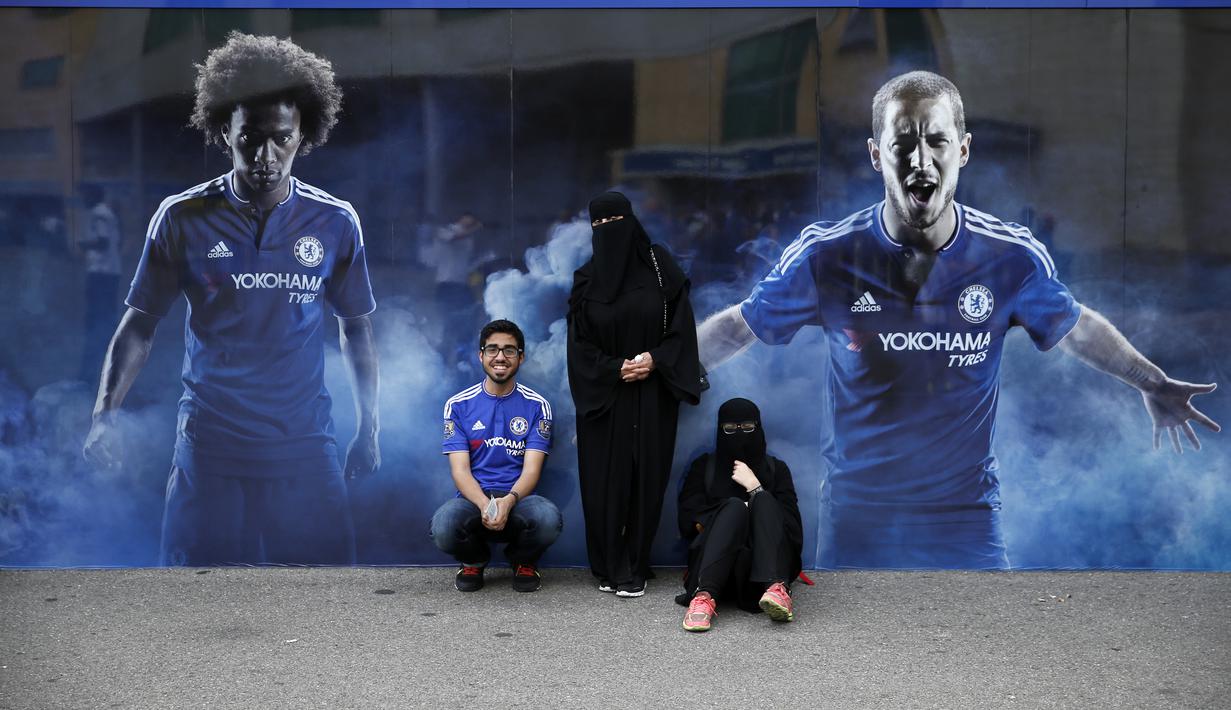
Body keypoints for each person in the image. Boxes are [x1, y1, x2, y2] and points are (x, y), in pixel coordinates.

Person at [697, 71, 1220, 570]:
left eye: (937, 141)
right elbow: (738, 326)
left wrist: (1150, 381)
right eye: (903, 143)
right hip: (858, 520)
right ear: (878, 156)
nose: (920, 160)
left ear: (963, 150)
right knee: (849, 661)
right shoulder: (827, 256)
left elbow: (1075, 326)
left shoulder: (1010, 257)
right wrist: (657, 365)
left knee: (987, 656)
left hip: (967, 523)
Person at [81, 32, 380, 566]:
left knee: (327, 606)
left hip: (305, 446)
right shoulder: (181, 218)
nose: (266, 156)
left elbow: (356, 328)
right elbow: (140, 324)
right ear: (225, 132)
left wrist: (369, 429)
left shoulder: (335, 221)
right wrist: (104, 413)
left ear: (303, 134)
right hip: (209, 446)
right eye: (251, 138)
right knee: (198, 606)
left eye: (282, 139)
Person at [567, 191, 702, 597]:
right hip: (606, 397)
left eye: (615, 221)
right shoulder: (586, 280)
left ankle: (636, 563)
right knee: (602, 481)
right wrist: (614, 368)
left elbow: (682, 330)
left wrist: (655, 360)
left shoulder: (661, 268)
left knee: (646, 477)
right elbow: (579, 345)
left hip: (652, 394)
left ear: (631, 220)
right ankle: (608, 564)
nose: (608, 231)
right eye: (599, 225)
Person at [431, 319, 561, 592]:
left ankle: (523, 561)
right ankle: (474, 561)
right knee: (443, 526)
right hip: (473, 499)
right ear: (481, 355)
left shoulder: (538, 406)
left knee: (548, 519)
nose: (500, 357)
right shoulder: (458, 405)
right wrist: (484, 505)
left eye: (509, 350)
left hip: (518, 498)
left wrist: (508, 502)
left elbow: (531, 472)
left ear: (521, 357)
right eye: (492, 349)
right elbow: (460, 471)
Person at [675, 398, 803, 632]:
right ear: (720, 430)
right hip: (715, 566)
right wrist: (734, 514)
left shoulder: (777, 470)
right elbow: (688, 521)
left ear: (758, 428)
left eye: (747, 428)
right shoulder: (705, 468)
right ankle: (703, 596)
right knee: (734, 506)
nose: (739, 435)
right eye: (730, 429)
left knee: (763, 499)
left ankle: (776, 588)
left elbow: (792, 527)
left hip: (760, 571)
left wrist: (755, 488)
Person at [75, 184, 123, 380]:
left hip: (101, 274)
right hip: (109, 273)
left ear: (93, 196)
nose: (82, 199)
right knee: (104, 320)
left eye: (84, 195)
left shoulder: (98, 214)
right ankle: (110, 368)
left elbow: (102, 242)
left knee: (97, 322)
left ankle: (91, 374)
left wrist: (82, 244)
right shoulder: (107, 213)